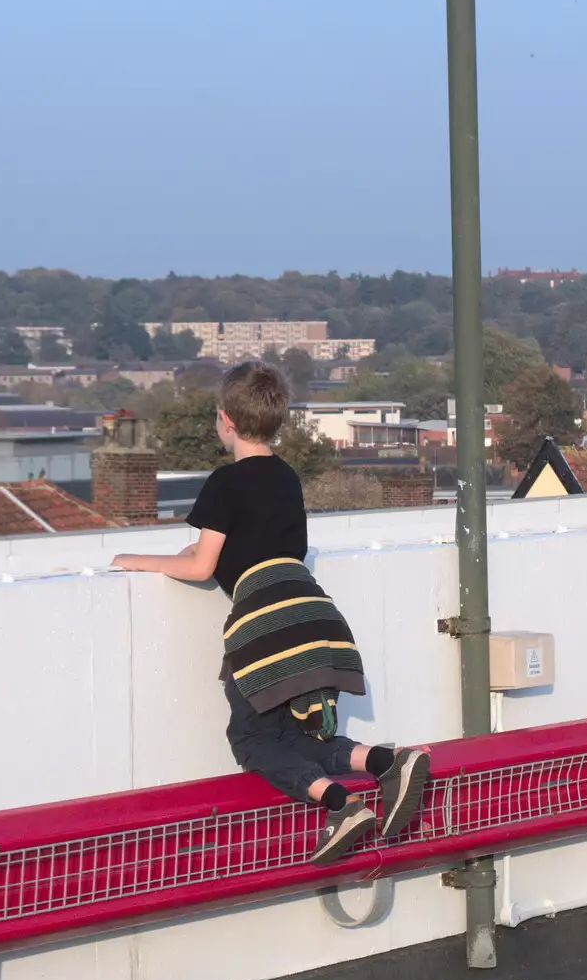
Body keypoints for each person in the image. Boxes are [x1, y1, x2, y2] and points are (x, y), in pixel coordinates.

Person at [113, 361, 429, 864]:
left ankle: (342, 804)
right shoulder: (286, 477)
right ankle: (387, 762)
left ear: (225, 420)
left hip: (266, 624)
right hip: (315, 615)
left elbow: (201, 565)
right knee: (298, 737)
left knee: (252, 742)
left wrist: (133, 560)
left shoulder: (224, 483)